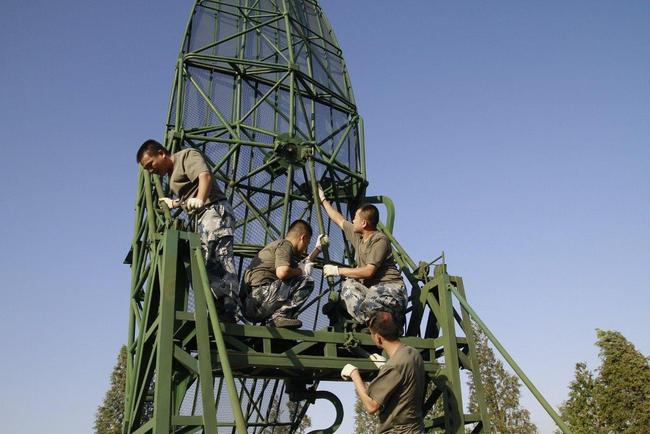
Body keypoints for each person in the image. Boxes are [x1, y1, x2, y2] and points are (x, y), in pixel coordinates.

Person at [136, 139, 239, 322]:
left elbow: (204, 176)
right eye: (147, 169)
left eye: (151, 164)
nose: (151, 171)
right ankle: (218, 307)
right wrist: (175, 203)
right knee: (208, 263)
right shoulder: (171, 175)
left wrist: (200, 199)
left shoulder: (186, 156)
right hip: (202, 217)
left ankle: (229, 307)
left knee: (220, 257)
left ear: (161, 153)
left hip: (214, 210)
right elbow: (189, 196)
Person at [318, 185, 408, 326]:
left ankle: (390, 323)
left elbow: (368, 271)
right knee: (348, 286)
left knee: (366, 308)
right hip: (372, 292)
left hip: (390, 291)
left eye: (355, 218)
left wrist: (337, 271)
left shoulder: (379, 240)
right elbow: (339, 220)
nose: (352, 221)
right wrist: (322, 199)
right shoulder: (359, 237)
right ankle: (381, 323)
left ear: (364, 223)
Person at [341, 311, 425, 434]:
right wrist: (385, 367)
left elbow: (371, 406)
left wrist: (354, 374)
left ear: (378, 338)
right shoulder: (413, 353)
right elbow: (403, 385)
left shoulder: (394, 366)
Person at [242, 219, 319, 329]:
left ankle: (272, 319)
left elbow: (301, 265)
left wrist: (318, 249)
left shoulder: (276, 247)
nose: (305, 249)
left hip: (249, 305)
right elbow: (283, 272)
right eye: (307, 244)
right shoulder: (285, 245)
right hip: (259, 299)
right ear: (303, 238)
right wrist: (302, 271)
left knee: (296, 276)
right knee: (307, 281)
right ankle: (278, 316)